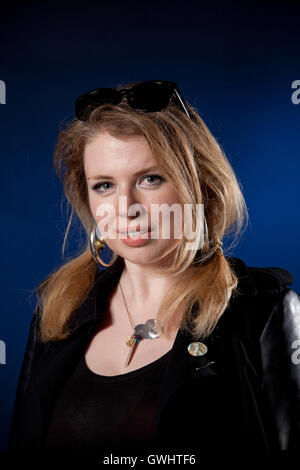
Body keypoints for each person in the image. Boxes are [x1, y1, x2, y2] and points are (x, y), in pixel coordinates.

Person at [6, 80, 300, 453]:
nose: (126, 206)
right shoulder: (58, 311)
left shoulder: (265, 314)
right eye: (104, 185)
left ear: (201, 186)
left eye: (150, 179)